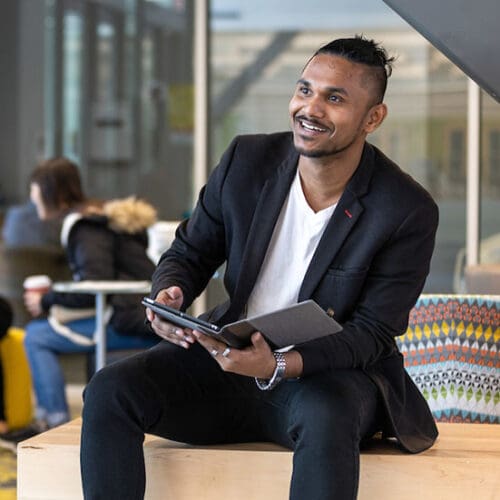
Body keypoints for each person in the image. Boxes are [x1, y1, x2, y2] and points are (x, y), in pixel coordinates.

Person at [80, 36, 439, 500]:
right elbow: (190, 252)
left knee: (328, 411)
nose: (310, 108)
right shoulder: (246, 161)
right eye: (305, 89)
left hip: (324, 378)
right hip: (229, 361)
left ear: (373, 118)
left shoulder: (405, 208)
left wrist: (281, 364)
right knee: (111, 389)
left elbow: (372, 333)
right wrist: (171, 292)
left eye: (334, 98)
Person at [0, 157, 159, 449]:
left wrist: (47, 299)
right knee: (41, 331)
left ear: (52, 193)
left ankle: (55, 423)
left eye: (37, 196)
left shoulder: (85, 226)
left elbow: (93, 286)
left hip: (126, 318)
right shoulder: (97, 217)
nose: (35, 204)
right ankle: (57, 421)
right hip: (142, 313)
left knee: (36, 336)